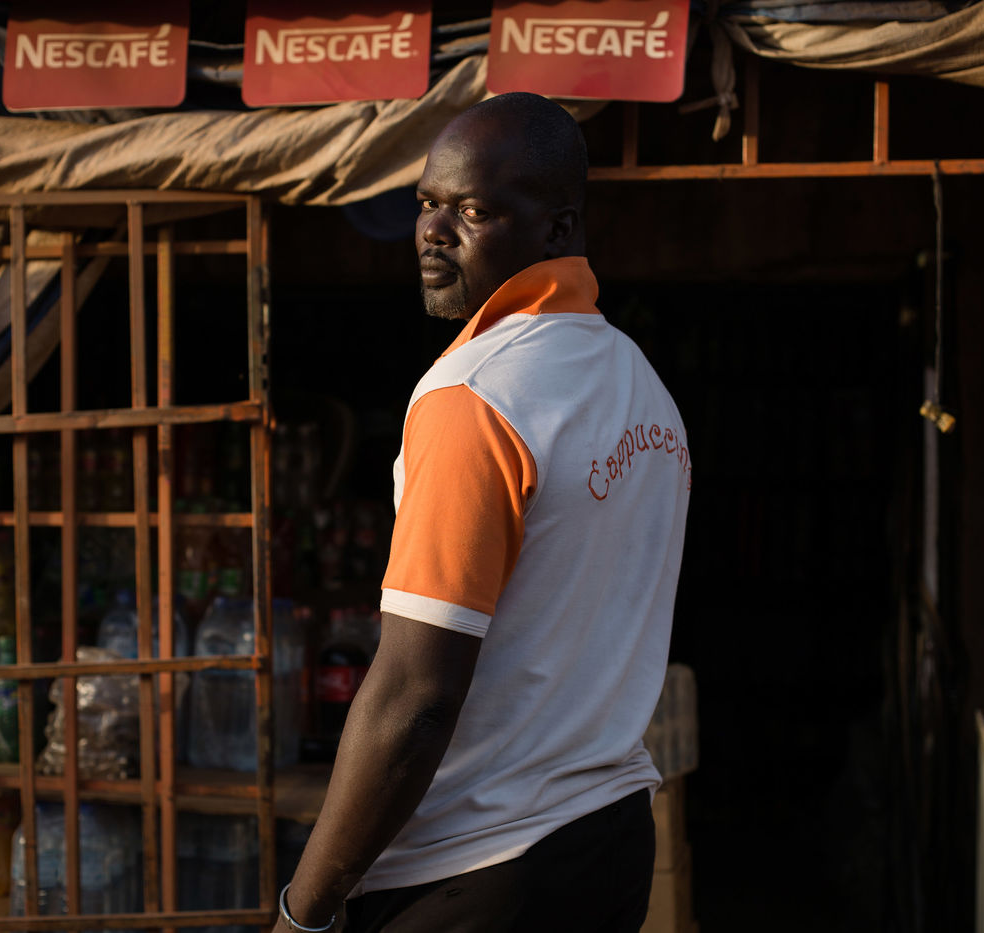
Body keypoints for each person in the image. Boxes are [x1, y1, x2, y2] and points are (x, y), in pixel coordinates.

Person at [274, 92, 691, 933]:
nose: (433, 231)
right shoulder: (638, 383)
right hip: (608, 841)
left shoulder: (475, 396)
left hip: (477, 864)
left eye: (473, 211)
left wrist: (303, 909)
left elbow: (414, 696)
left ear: (558, 229)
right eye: (427, 203)